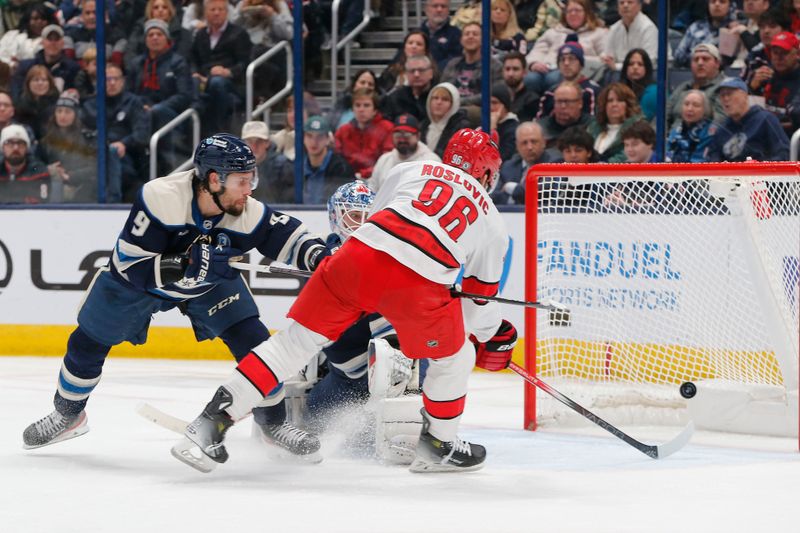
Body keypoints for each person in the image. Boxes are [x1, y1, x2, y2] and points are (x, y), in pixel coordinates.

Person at [170, 128, 518, 474]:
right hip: (418, 285)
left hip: (354, 259)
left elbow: (378, 224)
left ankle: (209, 422)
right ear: (486, 172)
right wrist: (494, 333)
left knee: (292, 344)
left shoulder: (411, 169)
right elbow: (478, 308)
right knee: (455, 357)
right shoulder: (492, 219)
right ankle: (438, 445)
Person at [21, 133, 329, 459]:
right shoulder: (161, 198)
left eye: (251, 178)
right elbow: (127, 266)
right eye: (242, 180)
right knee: (86, 343)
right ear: (214, 179)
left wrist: (323, 258)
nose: (250, 188)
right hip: (138, 284)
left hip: (210, 284)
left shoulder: (244, 209)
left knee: (254, 340)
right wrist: (180, 264)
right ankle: (68, 415)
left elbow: (288, 236)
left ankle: (273, 424)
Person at [189, 0, 253, 135]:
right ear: (206, 13)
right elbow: (193, 59)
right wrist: (195, 73)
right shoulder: (200, 35)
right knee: (192, 82)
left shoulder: (239, 33)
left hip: (231, 83)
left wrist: (228, 72)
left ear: (227, 12)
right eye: (212, 10)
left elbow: (245, 63)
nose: (216, 13)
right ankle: (191, 131)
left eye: (220, 9)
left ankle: (218, 132)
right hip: (204, 79)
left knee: (217, 82)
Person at [524, 0, 607, 94]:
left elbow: (603, 59)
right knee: (530, 79)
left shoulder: (598, 33)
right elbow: (537, 51)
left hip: (574, 73)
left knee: (553, 78)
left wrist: (577, 61)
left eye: (577, 10)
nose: (573, 14)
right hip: (546, 67)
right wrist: (534, 63)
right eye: (569, 11)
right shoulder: (553, 32)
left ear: (587, 13)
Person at [707, 76, 790, 162]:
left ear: (744, 95)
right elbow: (712, 159)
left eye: (729, 93)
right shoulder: (721, 130)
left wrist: (761, 166)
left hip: (761, 173)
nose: (725, 99)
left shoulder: (765, 119)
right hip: (731, 174)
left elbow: (783, 153)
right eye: (722, 95)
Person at [40, 90, 98, 203]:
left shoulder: (86, 139)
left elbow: (94, 168)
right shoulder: (45, 141)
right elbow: (34, 166)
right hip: (51, 186)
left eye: (67, 112)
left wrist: (70, 176)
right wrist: (48, 170)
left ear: (75, 114)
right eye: (59, 111)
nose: (62, 115)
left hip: (81, 187)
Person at [492, 121, 560, 205]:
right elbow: (494, 197)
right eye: (524, 143)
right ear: (517, 145)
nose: (529, 147)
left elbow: (539, 195)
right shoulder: (508, 166)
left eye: (534, 141)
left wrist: (512, 188)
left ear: (544, 142)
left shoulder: (554, 164)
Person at [370, 113, 441, 193]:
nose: (402, 140)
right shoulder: (384, 160)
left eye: (407, 135)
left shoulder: (432, 162)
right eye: (398, 135)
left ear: (418, 136)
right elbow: (372, 190)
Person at [334, 89, 394, 180]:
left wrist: (363, 174)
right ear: (353, 110)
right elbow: (336, 159)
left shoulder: (387, 128)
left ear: (375, 110)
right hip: (348, 180)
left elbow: (387, 161)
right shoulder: (343, 131)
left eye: (366, 105)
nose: (361, 109)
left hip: (377, 179)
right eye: (357, 105)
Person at [11, 24, 80, 101]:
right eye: (49, 39)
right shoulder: (25, 66)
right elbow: (16, 95)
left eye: (56, 39)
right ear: (42, 42)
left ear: (63, 43)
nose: (53, 43)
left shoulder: (73, 68)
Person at [441, 22, 503, 105]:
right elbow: (442, 89)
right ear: (461, 40)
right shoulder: (452, 64)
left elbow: (493, 94)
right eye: (467, 34)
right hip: (451, 108)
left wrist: (458, 102)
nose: (470, 37)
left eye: (475, 34)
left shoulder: (494, 66)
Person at [666, 43, 726, 128]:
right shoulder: (683, 87)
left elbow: (720, 122)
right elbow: (663, 115)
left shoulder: (725, 87)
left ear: (717, 63)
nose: (700, 63)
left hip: (703, 138)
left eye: (705, 59)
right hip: (672, 137)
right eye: (696, 59)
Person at [123, 0, 192, 72]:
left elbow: (182, 56)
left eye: (165, 7)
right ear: (150, 11)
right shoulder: (140, 29)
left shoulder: (182, 33)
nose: (160, 10)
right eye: (156, 7)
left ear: (170, 11)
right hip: (142, 71)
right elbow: (130, 51)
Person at [536, 41, 601, 117]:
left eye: (571, 59)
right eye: (562, 59)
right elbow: (540, 122)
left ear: (581, 65)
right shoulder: (551, 92)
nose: (566, 63)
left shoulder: (592, 91)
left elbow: (592, 122)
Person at [673, 0, 743, 68]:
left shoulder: (736, 30)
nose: (717, 4)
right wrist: (699, 57)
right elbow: (678, 57)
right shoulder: (695, 27)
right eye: (713, 2)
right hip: (691, 73)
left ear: (730, 6)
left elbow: (726, 62)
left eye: (722, 2)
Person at [302, 115, 354, 203]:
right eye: (309, 136)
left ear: (327, 139)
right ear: (303, 138)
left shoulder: (341, 168)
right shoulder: (296, 167)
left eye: (319, 137)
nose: (314, 142)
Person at [586, 82, 643, 163]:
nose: (614, 104)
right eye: (610, 101)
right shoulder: (593, 127)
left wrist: (606, 166)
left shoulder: (638, 129)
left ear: (628, 104)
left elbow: (629, 155)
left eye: (620, 100)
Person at [241, 120, 294, 204]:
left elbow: (289, 202)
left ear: (267, 143)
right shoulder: (236, 168)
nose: (254, 146)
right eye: (250, 142)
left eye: (259, 141)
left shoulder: (283, 167)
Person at [0, 124, 52, 204]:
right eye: (10, 143)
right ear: (2, 147)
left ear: (27, 148)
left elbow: (41, 200)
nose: (16, 148)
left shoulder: (38, 170)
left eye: (20, 143)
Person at [601, 0, 657, 74]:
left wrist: (617, 66)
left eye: (630, 2)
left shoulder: (648, 28)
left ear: (639, 6)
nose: (625, 5)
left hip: (648, 74)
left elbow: (649, 62)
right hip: (619, 73)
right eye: (621, 3)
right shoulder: (614, 28)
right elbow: (607, 56)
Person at [536, 80, 592, 151]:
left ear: (580, 103)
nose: (563, 106)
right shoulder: (540, 128)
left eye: (567, 101)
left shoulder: (591, 126)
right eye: (559, 101)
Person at [420, 81, 470, 158]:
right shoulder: (423, 125)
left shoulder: (461, 128)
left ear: (453, 104)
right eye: (435, 98)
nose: (439, 102)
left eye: (445, 99)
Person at [763, 31, 800, 135]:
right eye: (775, 52)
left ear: (797, 54)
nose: (779, 58)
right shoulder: (764, 76)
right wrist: (753, 88)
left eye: (784, 53)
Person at [382, 55, 436, 122]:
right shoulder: (395, 98)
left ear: (431, 73)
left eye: (421, 70)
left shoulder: (438, 96)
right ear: (406, 74)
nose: (416, 74)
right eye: (412, 71)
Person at [665, 90, 714, 163]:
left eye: (696, 105)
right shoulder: (676, 131)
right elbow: (667, 154)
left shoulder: (709, 133)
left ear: (705, 110)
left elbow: (699, 161)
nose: (689, 109)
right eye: (686, 104)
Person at [15, 64, 59, 139]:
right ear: (28, 83)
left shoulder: (58, 106)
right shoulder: (20, 107)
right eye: (36, 80)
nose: (40, 83)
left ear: (50, 83)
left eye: (44, 80)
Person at [420, 0, 462, 70]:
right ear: (426, 9)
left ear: (448, 11)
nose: (439, 9)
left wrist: (432, 70)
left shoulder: (457, 35)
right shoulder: (415, 34)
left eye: (443, 6)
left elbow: (456, 60)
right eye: (435, 6)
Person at [501, 51, 540, 122]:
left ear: (525, 72)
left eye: (515, 69)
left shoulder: (532, 100)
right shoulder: (497, 97)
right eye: (507, 69)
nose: (510, 74)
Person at [619, 48, 656, 121]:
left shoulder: (653, 91)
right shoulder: (618, 89)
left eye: (640, 64)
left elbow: (643, 121)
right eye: (631, 64)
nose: (635, 67)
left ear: (647, 68)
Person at [489, 82, 519, 161]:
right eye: (488, 102)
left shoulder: (513, 129)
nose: (490, 107)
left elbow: (503, 158)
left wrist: (492, 129)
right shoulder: (484, 122)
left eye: (494, 103)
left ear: (505, 106)